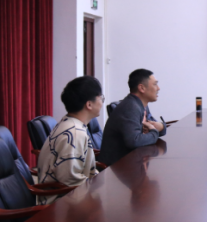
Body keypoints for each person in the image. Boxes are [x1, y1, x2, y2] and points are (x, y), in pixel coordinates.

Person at [37, 76, 103, 204]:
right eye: (101, 98)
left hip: (73, 196)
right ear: (89, 104)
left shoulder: (70, 122)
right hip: (62, 205)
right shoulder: (75, 132)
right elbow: (71, 181)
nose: (102, 103)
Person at [99, 69, 166, 166]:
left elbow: (154, 127)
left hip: (132, 163)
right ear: (142, 88)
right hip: (117, 169)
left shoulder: (141, 105)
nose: (158, 88)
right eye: (155, 84)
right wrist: (154, 132)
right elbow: (134, 141)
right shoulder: (130, 107)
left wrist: (161, 127)